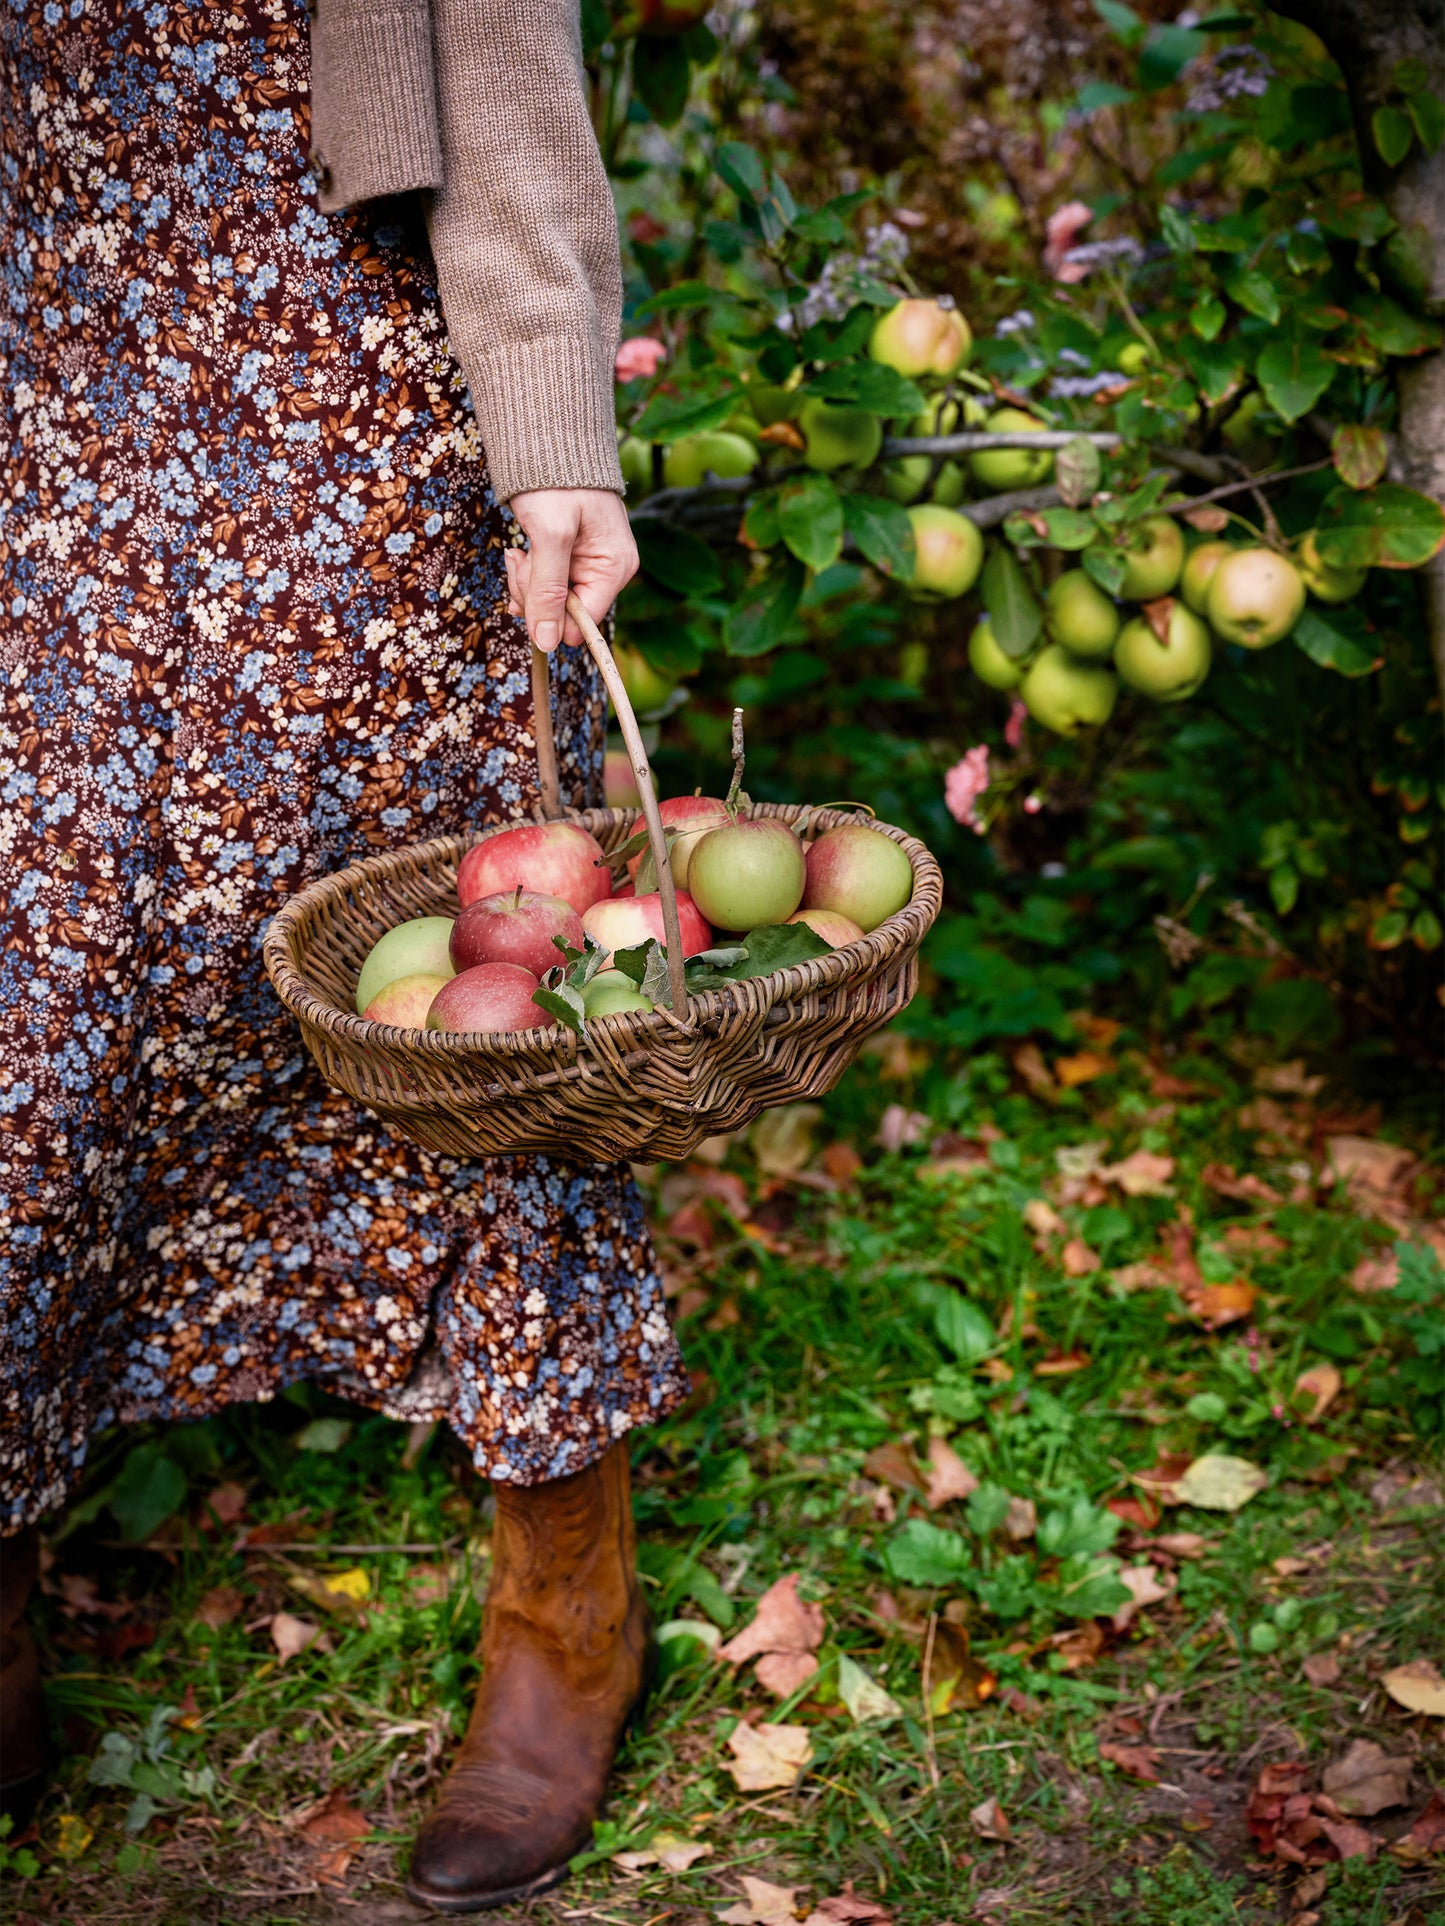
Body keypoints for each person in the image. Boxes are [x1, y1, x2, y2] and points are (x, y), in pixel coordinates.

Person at [0, 0, 688, 1907]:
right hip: (47, 408)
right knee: (31, 1027)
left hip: (353, 387)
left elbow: (505, 70)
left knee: (481, 1013)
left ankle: (568, 1599)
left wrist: (552, 432)